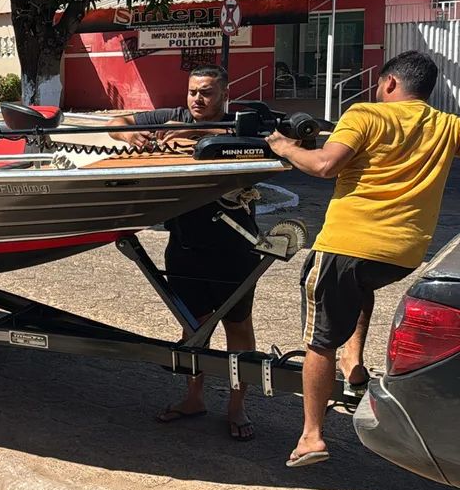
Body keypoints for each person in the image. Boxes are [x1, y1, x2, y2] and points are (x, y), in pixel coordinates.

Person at [266, 50, 460, 468]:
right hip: (403, 255)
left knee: (319, 341)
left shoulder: (366, 115)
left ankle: (312, 436)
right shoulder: (448, 126)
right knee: (360, 290)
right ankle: (354, 368)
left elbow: (323, 166)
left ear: (389, 83)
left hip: (347, 246)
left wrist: (284, 147)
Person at [107, 65, 261, 441]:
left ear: (224, 94)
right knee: (193, 326)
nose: (197, 99)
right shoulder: (171, 117)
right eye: (192, 91)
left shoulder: (243, 123)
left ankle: (237, 406)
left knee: (238, 328)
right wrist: (134, 132)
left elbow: (265, 140)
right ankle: (194, 398)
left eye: (206, 92)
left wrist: (197, 134)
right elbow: (118, 119)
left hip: (233, 246)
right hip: (184, 243)